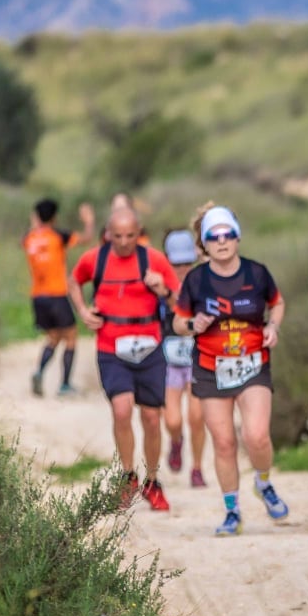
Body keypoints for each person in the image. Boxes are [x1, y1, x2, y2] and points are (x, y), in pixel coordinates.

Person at [171, 205, 288, 536]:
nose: (222, 241)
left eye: (228, 235)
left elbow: (277, 303)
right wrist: (194, 323)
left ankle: (263, 483)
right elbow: (178, 323)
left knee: (256, 436)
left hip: (253, 363)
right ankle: (232, 512)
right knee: (223, 442)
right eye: (214, 236)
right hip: (211, 369)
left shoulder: (257, 273)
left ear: (237, 237)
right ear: (204, 244)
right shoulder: (196, 279)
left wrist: (273, 327)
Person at [67, 207, 178, 512]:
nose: (125, 242)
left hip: (150, 346)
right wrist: (83, 311)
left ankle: (152, 481)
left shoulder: (153, 259)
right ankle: (128, 477)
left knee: (152, 418)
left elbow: (179, 301)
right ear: (108, 234)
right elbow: (73, 281)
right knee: (121, 409)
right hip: (111, 346)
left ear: (139, 231)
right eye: (118, 236)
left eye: (130, 235)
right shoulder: (96, 258)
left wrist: (163, 289)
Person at [22, 198, 95, 397]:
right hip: (57, 294)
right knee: (70, 336)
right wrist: (88, 220)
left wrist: (35, 222)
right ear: (54, 217)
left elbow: (33, 232)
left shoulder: (28, 238)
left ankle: (39, 371)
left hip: (38, 296)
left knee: (53, 337)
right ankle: (64, 385)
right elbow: (87, 238)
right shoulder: (58, 236)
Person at [160, 228, 207, 488]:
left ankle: (197, 468)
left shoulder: (204, 283)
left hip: (198, 359)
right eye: (177, 263)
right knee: (172, 419)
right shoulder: (160, 287)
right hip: (169, 360)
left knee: (197, 417)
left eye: (187, 262)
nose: (182, 268)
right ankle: (176, 442)